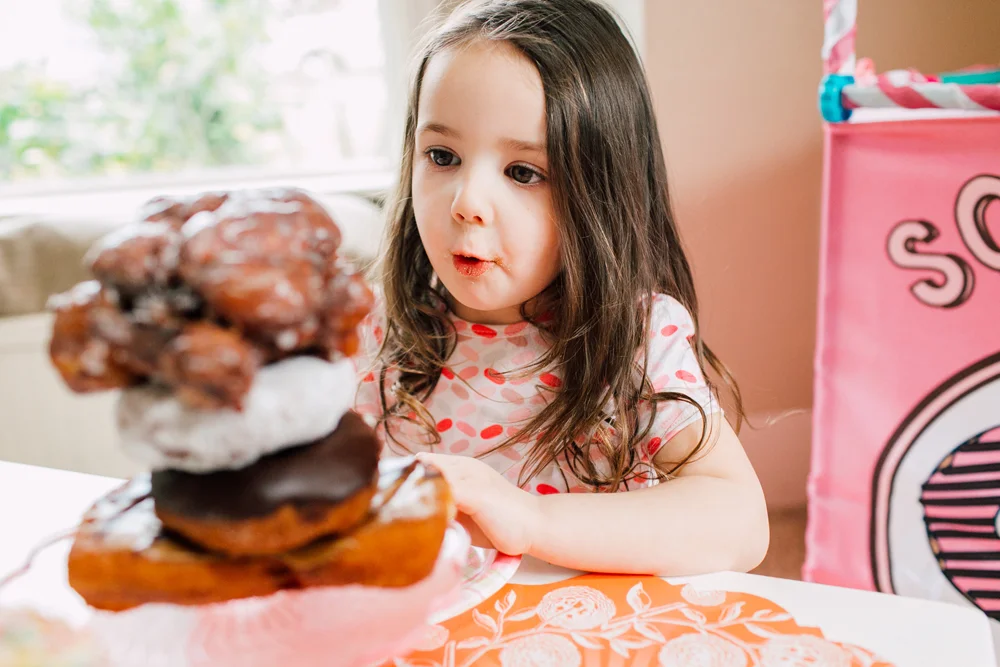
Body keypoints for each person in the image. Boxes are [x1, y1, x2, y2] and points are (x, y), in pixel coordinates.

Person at [353, 0, 768, 576]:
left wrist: (529, 519)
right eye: (442, 156)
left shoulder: (636, 342)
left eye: (523, 172)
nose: (466, 202)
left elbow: (740, 522)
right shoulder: (373, 332)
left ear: (600, 191)